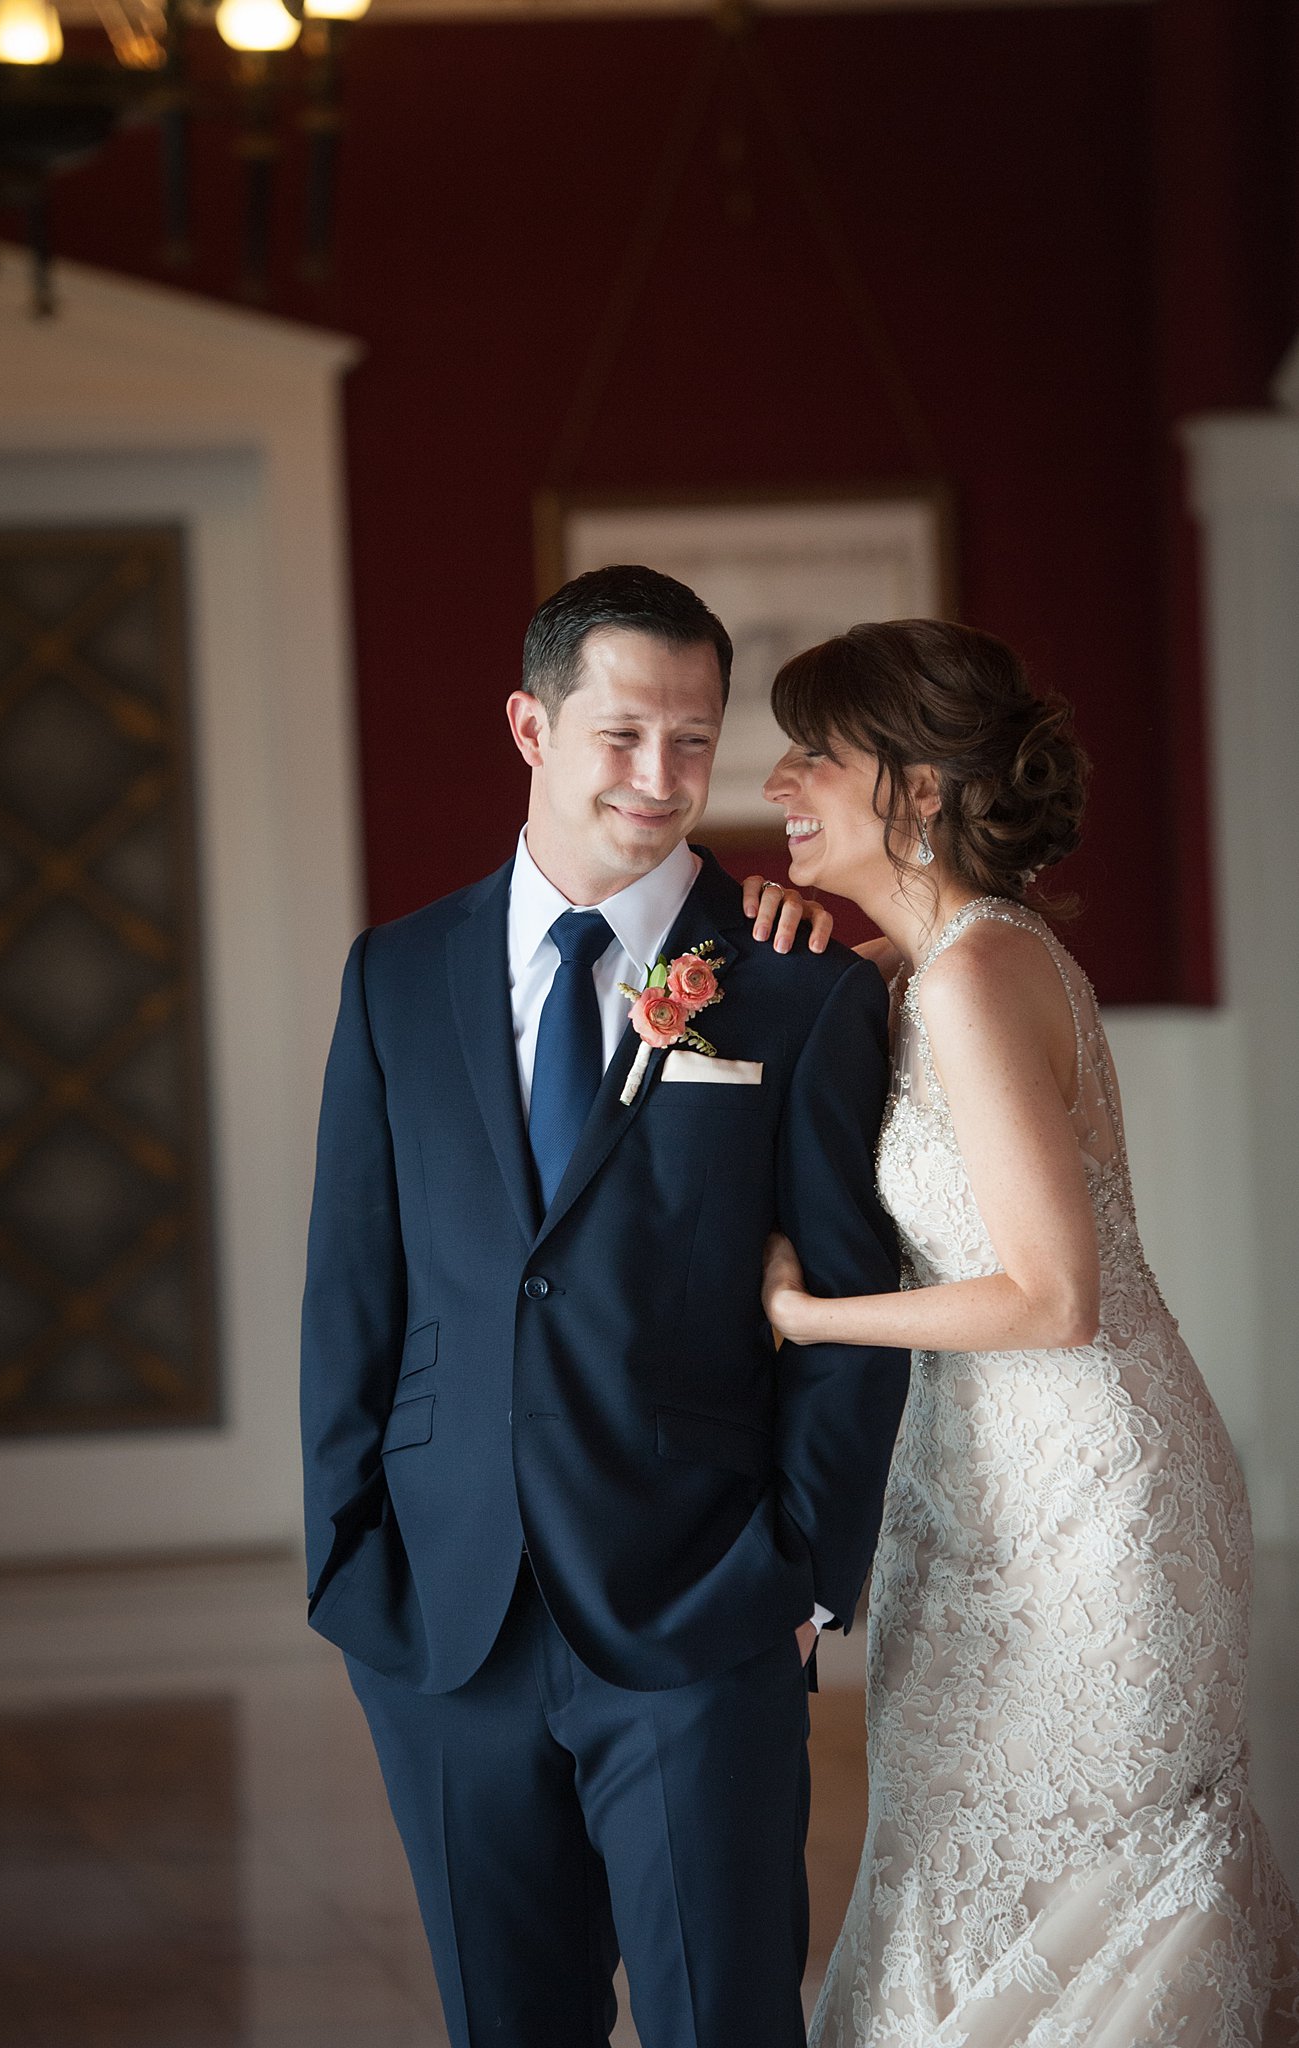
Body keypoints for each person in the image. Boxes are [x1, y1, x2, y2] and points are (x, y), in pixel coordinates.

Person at [299, 564, 910, 2048]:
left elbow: (849, 1298)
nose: (661, 777)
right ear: (531, 726)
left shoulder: (796, 984)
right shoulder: (397, 975)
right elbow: (353, 1287)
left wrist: (798, 1582)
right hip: (444, 1621)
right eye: (623, 735)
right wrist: (351, 1563)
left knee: (725, 2022)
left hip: (702, 1612)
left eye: (693, 741)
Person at [756, 618, 1299, 2046]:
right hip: (980, 1494)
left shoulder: (976, 979)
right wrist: (837, 951)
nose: (779, 776)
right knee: (960, 1869)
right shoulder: (951, 962)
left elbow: (1057, 1297)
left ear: (919, 793)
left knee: (1091, 1888)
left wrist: (808, 1316)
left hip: (1088, 1506)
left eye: (817, 750)